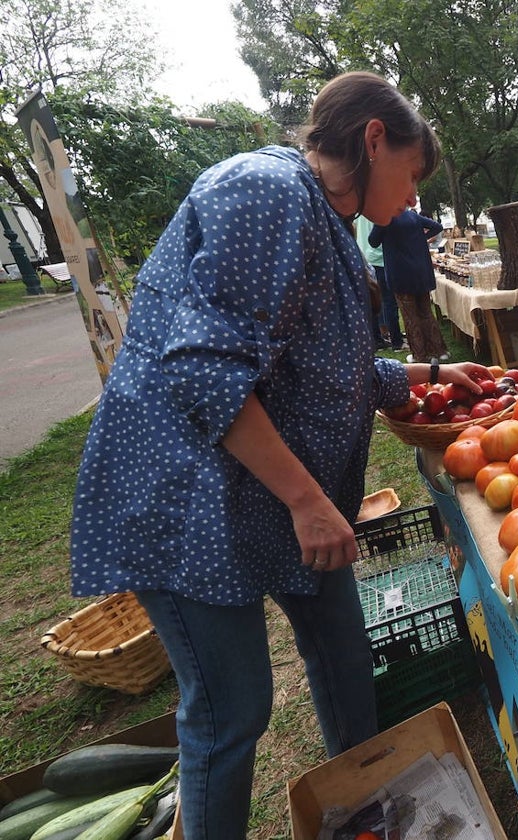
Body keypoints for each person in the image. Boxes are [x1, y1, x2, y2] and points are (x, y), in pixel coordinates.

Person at [68, 71, 491, 840]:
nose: (411, 199)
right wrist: (306, 499)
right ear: (372, 140)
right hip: (192, 501)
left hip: (270, 502)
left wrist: (427, 375)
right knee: (232, 710)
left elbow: (318, 367)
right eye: (411, 174)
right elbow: (203, 368)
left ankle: (363, 812)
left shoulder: (326, 222)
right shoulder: (266, 192)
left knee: (341, 650)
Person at [369, 207, 449, 363]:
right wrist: (422, 237)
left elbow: (373, 241)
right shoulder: (413, 216)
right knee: (426, 312)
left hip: (400, 273)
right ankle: (440, 351)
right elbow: (437, 227)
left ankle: (420, 355)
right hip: (421, 271)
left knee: (410, 315)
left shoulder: (385, 217)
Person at [355, 214, 404, 349]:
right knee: (389, 302)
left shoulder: (359, 213)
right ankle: (396, 341)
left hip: (365, 258)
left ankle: (378, 338)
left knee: (374, 301)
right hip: (380, 259)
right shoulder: (377, 212)